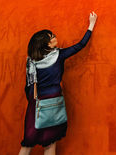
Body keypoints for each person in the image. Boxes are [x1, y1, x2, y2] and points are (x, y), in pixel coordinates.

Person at [18, 11, 98, 155]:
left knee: (27, 144)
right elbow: (80, 45)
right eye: (52, 37)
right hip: (54, 103)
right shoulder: (59, 55)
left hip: (36, 105)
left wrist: (33, 102)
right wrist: (91, 25)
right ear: (47, 43)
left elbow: (28, 87)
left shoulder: (31, 61)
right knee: (50, 144)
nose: (55, 37)